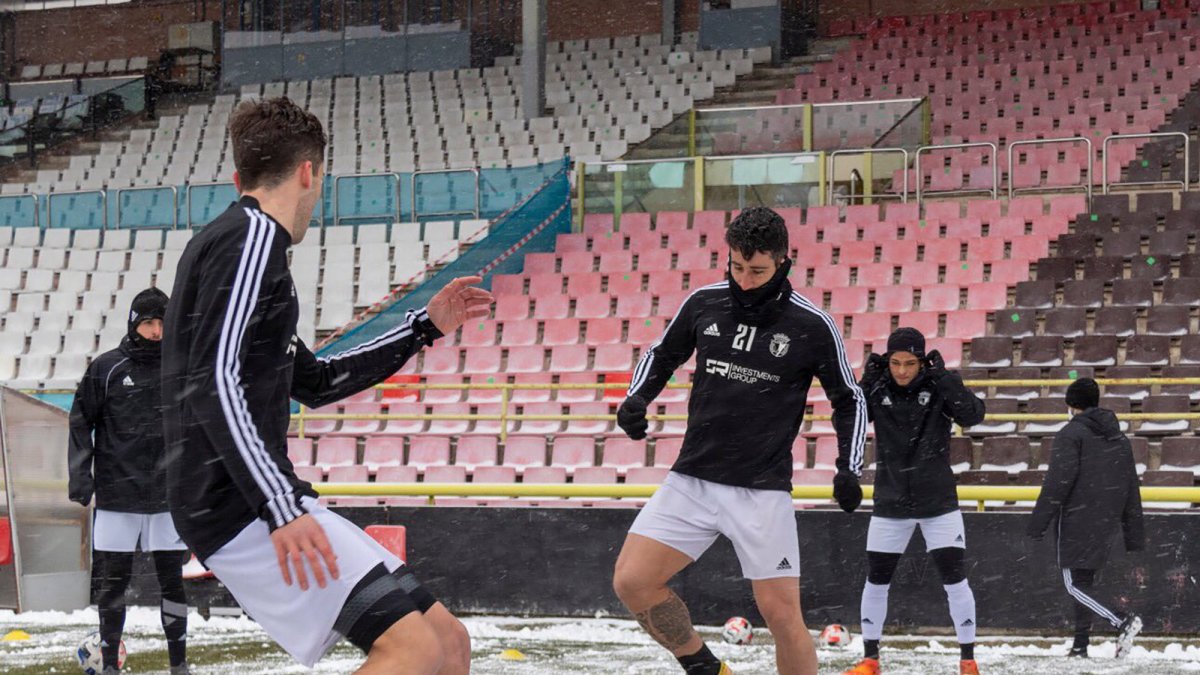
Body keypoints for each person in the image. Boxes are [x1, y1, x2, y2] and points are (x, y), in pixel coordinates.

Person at [161, 96, 493, 675]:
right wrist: (280, 505)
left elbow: (315, 381)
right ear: (310, 172)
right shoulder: (253, 239)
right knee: (413, 651)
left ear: (240, 176)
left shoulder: (242, 245)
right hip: (236, 503)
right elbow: (212, 380)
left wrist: (423, 328)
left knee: (447, 642)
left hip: (251, 496)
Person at [611, 206, 868, 675]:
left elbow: (849, 398)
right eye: (736, 267)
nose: (745, 280)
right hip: (693, 478)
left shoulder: (811, 324)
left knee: (782, 614)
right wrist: (636, 399)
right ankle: (708, 669)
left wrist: (849, 467)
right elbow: (662, 354)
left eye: (758, 271)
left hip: (761, 490)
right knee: (632, 582)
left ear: (784, 262)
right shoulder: (704, 302)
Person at [842, 327, 986, 675]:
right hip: (890, 502)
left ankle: (968, 659)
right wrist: (863, 387)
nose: (902, 371)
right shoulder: (877, 388)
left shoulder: (939, 385)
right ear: (887, 361)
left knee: (955, 581)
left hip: (938, 503)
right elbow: (847, 422)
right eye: (895, 363)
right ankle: (870, 659)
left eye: (910, 363)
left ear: (922, 362)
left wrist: (946, 380)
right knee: (876, 581)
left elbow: (972, 415)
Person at [68, 287, 191, 675]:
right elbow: (79, 421)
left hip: (168, 498)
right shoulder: (106, 369)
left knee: (172, 584)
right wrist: (80, 478)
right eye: (148, 323)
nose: (156, 331)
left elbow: (202, 426)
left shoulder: (183, 369)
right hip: (117, 496)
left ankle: (179, 665)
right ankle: (109, 667)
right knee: (112, 586)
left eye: (162, 323)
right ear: (134, 323)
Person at [1027, 378, 1144, 659]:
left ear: (1071, 405)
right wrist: (1133, 533)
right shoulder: (1119, 437)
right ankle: (1081, 644)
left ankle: (1122, 620)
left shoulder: (1070, 434)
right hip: (1106, 521)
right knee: (1085, 583)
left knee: (1073, 584)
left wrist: (1038, 522)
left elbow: (1058, 481)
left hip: (1077, 520)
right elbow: (1131, 485)